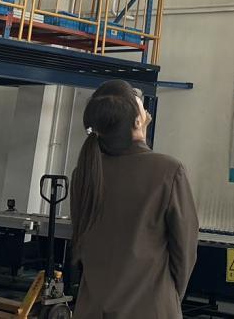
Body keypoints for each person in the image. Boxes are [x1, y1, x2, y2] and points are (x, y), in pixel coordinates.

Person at [69, 79, 199, 318]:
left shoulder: (85, 172)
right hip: (150, 310)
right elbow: (184, 254)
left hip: (92, 309)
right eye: (139, 103)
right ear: (137, 121)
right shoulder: (168, 171)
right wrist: (168, 297)